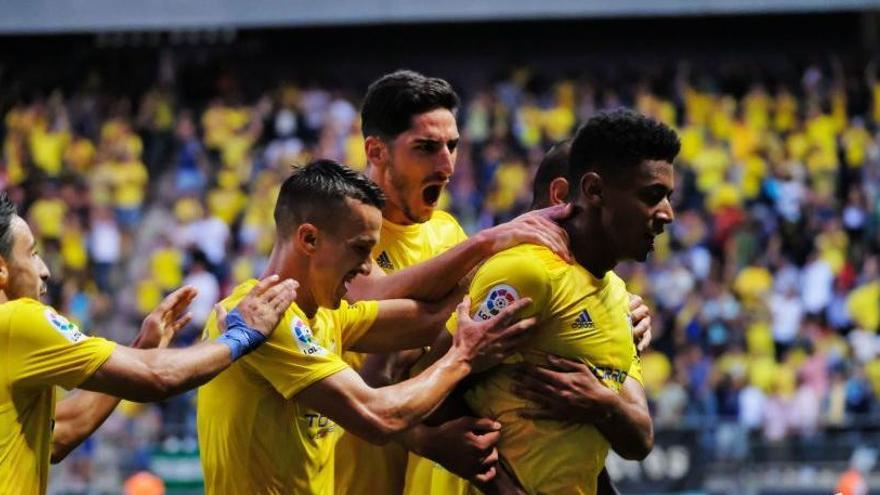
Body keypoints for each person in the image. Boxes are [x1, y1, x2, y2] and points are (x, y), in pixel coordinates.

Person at [195, 159, 538, 495]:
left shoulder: (326, 315)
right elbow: (377, 416)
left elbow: (427, 319)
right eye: (359, 249)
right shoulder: (263, 319)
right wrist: (462, 357)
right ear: (309, 239)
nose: (364, 269)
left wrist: (500, 258)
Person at [336, 69, 575, 495]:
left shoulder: (447, 232)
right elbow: (370, 297)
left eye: (452, 146)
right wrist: (487, 244)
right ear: (376, 150)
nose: (446, 166)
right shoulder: (338, 227)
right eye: (426, 148)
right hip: (342, 478)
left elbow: (461, 325)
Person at [437, 109, 679, 494]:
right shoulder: (529, 274)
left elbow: (639, 441)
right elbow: (431, 392)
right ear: (594, 190)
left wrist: (602, 404)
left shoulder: (620, 300)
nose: (667, 214)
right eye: (651, 196)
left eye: (668, 197)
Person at [0, 193, 298, 494]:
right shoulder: (16, 319)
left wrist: (143, 347)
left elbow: (59, 434)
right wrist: (241, 335)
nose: (44, 270)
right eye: (32, 253)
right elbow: (156, 376)